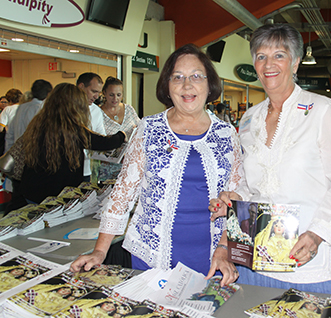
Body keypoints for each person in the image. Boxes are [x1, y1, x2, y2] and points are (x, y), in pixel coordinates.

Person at [70, 44, 243, 287]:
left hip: (213, 257)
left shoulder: (226, 134)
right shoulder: (148, 129)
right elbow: (123, 192)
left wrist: (225, 249)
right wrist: (100, 251)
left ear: (209, 83)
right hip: (150, 253)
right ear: (167, 86)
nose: (187, 85)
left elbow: (237, 200)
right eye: (178, 77)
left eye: (196, 76)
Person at [209, 24, 331, 293]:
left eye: (279, 55)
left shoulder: (321, 110)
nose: (269, 64)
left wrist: (318, 234)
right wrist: (234, 199)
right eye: (261, 56)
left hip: (303, 256)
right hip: (254, 256)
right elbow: (252, 185)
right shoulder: (249, 118)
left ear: (296, 62)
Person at [19, 83, 126, 205]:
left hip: (32, 190)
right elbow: (104, 143)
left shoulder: (39, 123)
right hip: (56, 194)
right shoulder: (72, 129)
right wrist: (122, 135)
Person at [96, 76, 140, 181]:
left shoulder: (129, 109)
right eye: (111, 95)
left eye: (118, 95)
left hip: (131, 165)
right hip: (108, 167)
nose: (115, 99)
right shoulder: (98, 113)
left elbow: (140, 129)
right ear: (104, 93)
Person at [5, 79, 53, 152]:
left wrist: (8, 152)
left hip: (17, 153)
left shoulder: (21, 108)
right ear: (49, 94)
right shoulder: (44, 109)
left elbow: (10, 134)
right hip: (33, 154)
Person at [76, 72, 106, 182]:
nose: (96, 96)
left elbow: (101, 138)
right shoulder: (62, 109)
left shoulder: (96, 111)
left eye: (98, 93)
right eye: (93, 91)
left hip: (85, 170)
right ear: (81, 87)